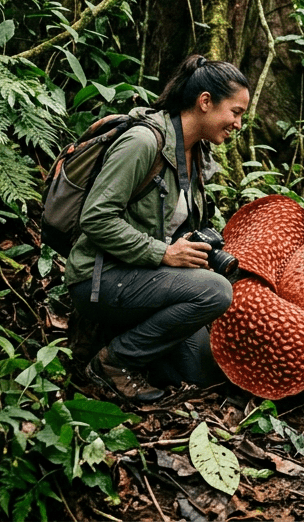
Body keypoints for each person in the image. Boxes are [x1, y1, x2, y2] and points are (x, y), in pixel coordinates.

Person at [67, 55, 249, 402]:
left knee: (200, 371)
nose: (238, 124)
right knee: (216, 292)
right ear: (205, 102)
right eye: (236, 112)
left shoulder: (195, 154)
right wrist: (165, 253)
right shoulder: (143, 142)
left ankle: (123, 339)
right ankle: (113, 364)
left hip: (142, 276)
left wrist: (193, 250)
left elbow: (170, 225)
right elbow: (95, 218)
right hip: (100, 275)